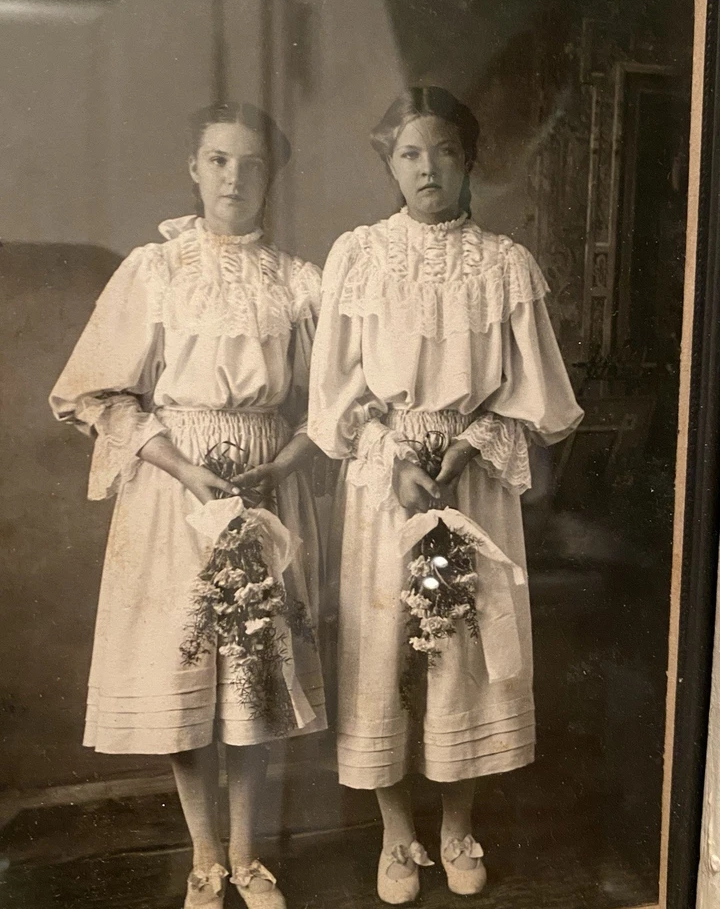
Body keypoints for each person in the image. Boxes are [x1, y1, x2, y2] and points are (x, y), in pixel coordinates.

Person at [308, 86, 583, 904]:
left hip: (474, 479)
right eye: (408, 154)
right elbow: (332, 395)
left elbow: (538, 399)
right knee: (384, 649)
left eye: (444, 152)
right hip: (383, 481)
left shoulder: (504, 264)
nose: (427, 169)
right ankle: (398, 837)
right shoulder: (357, 254)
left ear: (470, 160)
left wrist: (464, 448)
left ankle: (459, 826)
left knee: (463, 649)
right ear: (389, 163)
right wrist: (392, 456)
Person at [50, 101, 327, 909]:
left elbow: (337, 398)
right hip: (174, 498)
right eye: (217, 160)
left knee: (251, 681)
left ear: (270, 175)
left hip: (264, 491)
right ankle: (203, 858)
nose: (233, 177)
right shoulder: (153, 269)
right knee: (185, 676)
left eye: (249, 162)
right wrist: (179, 465)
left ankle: (247, 858)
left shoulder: (298, 283)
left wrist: (281, 463)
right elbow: (97, 392)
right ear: (194, 168)